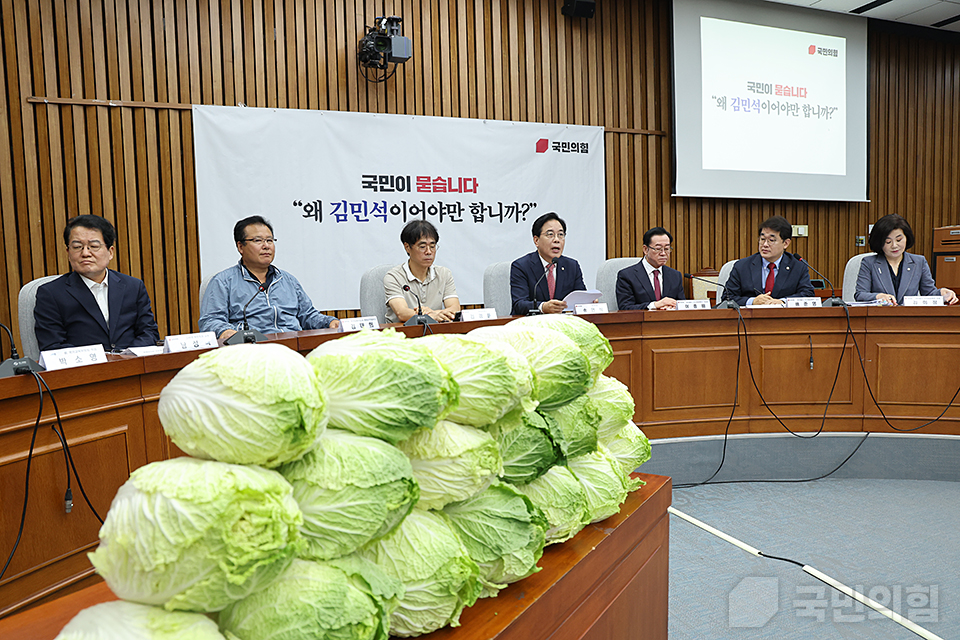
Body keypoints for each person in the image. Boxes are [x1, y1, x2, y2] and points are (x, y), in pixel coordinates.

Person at [199, 215, 339, 341]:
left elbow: (308, 316)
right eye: (258, 240)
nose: (266, 246)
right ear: (240, 247)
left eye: (269, 240)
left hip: (293, 346)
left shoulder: (288, 280)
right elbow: (210, 320)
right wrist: (225, 331)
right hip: (253, 348)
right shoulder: (223, 282)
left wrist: (330, 322)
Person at [34, 215, 160, 352]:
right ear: (68, 253)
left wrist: (126, 357)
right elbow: (52, 346)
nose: (85, 253)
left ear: (110, 252)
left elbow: (149, 333)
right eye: (77, 247)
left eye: (94, 246)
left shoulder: (133, 286)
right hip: (86, 364)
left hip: (131, 362)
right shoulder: (51, 294)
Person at [855, 214, 958, 305]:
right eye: (888, 242)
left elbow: (929, 293)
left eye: (899, 240)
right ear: (879, 243)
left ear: (906, 238)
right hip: (879, 317)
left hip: (910, 317)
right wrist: (878, 296)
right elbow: (860, 294)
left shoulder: (919, 262)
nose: (894, 245)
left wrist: (942, 294)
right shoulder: (869, 263)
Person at [722, 215, 813, 306]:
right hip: (751, 314)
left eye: (771, 240)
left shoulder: (798, 266)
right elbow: (727, 298)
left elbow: (808, 295)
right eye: (762, 239)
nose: (765, 244)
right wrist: (752, 301)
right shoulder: (742, 266)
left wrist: (783, 302)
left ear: (785, 243)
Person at [383, 220, 461, 323]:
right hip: (402, 331)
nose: (429, 252)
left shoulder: (444, 274)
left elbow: (455, 308)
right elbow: (402, 313)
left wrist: (431, 314)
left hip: (434, 331)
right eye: (422, 247)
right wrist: (432, 316)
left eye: (432, 246)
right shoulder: (394, 277)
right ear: (407, 247)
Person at [511, 212, 587, 315]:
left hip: (563, 323)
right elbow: (519, 304)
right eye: (550, 234)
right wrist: (543, 307)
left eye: (560, 235)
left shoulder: (572, 266)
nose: (556, 240)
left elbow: (580, 298)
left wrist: (589, 303)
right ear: (536, 240)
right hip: (532, 323)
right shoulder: (521, 266)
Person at [616, 227, 686, 310]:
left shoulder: (675, 276)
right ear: (645, 249)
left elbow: (682, 306)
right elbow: (625, 307)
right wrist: (654, 305)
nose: (663, 253)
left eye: (667, 249)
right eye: (658, 249)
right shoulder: (627, 276)